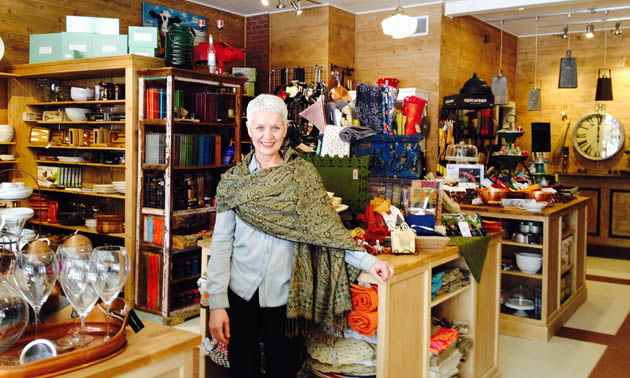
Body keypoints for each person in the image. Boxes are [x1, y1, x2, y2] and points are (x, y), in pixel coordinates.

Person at [205, 94, 393, 378]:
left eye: (276, 128)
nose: (268, 136)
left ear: (286, 128)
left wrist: (368, 262)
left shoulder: (303, 177)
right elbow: (221, 246)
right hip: (240, 296)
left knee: (286, 368)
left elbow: (327, 232)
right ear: (248, 129)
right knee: (242, 370)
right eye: (260, 128)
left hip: (287, 299)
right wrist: (217, 303)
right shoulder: (233, 182)